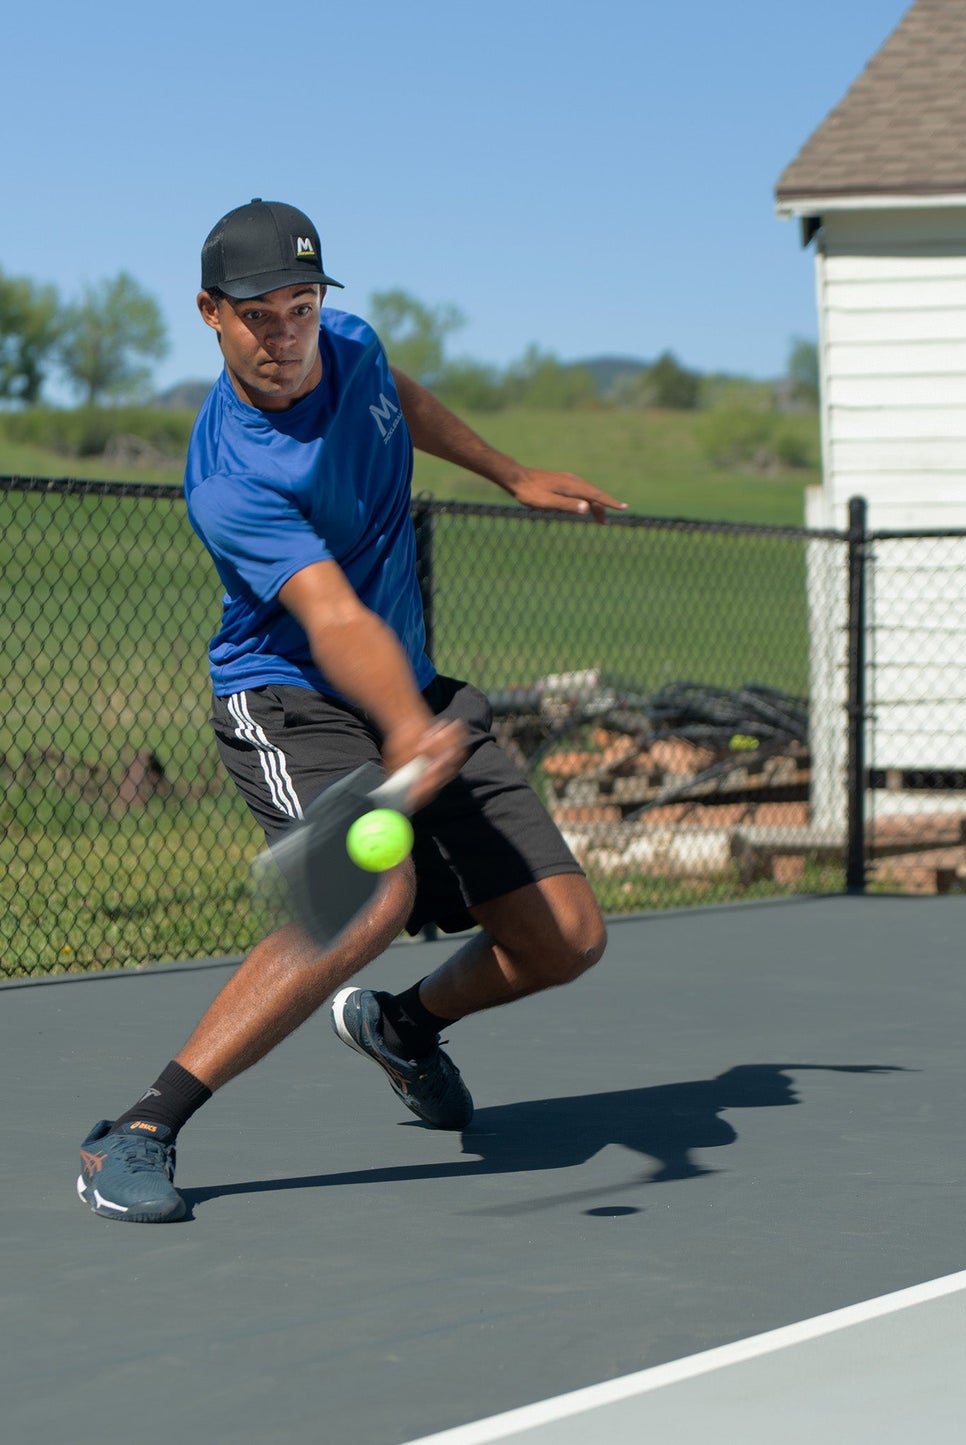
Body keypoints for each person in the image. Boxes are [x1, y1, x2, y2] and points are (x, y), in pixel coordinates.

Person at [78, 199, 627, 1223]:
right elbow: (328, 615)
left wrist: (509, 473)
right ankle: (135, 1129)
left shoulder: (351, 346)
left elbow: (395, 399)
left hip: (406, 691)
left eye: (301, 305)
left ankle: (400, 1026)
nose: (285, 333)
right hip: (288, 698)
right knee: (369, 893)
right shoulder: (229, 472)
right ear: (208, 313)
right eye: (258, 315)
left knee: (565, 935)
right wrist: (404, 726)